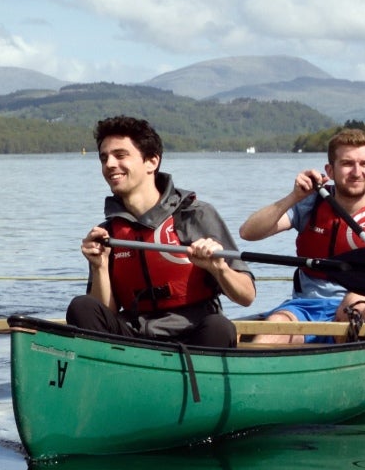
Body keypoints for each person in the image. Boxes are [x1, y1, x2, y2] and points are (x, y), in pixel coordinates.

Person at [70, 115, 254, 346]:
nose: (109, 165)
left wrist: (219, 269)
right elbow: (104, 314)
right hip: (135, 337)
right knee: (83, 306)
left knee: (220, 327)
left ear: (152, 161)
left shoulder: (195, 215)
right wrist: (100, 267)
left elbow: (247, 296)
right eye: (104, 158)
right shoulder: (108, 233)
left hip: (194, 335)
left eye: (120, 155)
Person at [237, 125, 365, 345]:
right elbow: (248, 232)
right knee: (274, 327)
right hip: (305, 307)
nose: (357, 172)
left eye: (364, 164)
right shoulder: (309, 203)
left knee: (354, 306)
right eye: (347, 163)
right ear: (330, 171)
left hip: (363, 305)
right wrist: (293, 197)